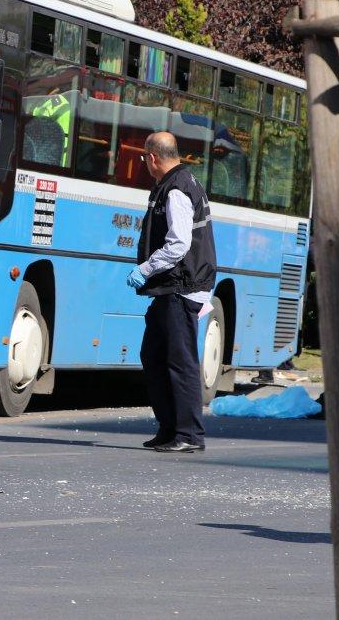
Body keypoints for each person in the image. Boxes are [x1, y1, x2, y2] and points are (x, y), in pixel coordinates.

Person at [126, 131, 216, 454]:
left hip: (181, 286)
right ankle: (169, 428)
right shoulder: (178, 182)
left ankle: (189, 433)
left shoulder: (176, 189)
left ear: (153, 158)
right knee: (153, 355)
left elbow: (179, 244)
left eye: (143, 158)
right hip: (173, 287)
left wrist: (146, 268)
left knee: (180, 362)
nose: (144, 163)